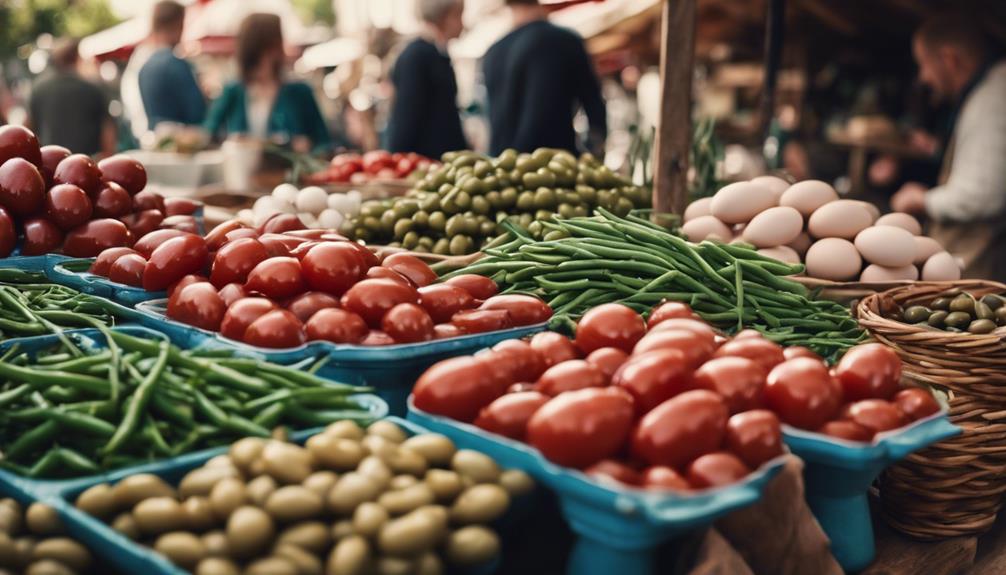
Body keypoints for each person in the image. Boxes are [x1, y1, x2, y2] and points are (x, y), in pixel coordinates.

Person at [890, 12, 1006, 282]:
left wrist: (923, 199)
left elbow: (982, 196)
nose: (923, 78)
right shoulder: (989, 89)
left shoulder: (993, 99)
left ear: (949, 59)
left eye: (924, 65)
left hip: (980, 268)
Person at [483, 0, 606, 155]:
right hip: (554, 167)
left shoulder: (493, 53)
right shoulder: (565, 40)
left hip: (502, 167)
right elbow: (594, 105)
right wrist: (595, 153)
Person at [204, 13, 330, 153]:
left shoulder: (299, 92)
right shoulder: (233, 91)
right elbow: (207, 134)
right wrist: (229, 143)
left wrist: (306, 146)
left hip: (289, 171)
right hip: (244, 171)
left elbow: (324, 143)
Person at [386, 0, 468, 158]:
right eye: (459, 16)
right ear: (444, 17)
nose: (463, 24)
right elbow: (406, 118)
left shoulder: (436, 53)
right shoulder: (417, 56)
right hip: (426, 166)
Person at [29, 38, 114, 156]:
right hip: (86, 165)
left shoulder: (38, 89)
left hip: (52, 164)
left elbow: (30, 129)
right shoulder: (92, 89)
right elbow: (108, 133)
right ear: (76, 58)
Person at [138, 0, 205, 131]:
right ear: (177, 24)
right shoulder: (177, 65)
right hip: (183, 143)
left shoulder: (144, 68)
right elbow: (197, 113)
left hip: (157, 141)